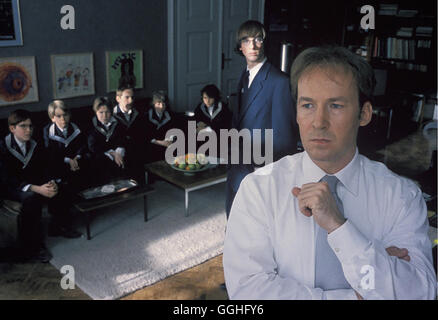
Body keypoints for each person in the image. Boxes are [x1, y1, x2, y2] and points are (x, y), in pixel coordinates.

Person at [223, 46, 437, 300]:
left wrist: (339, 228)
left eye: (335, 105)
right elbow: (248, 292)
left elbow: (421, 292)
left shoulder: (402, 196)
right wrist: (363, 291)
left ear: (364, 114)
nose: (318, 122)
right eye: (308, 105)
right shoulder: (258, 188)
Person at [225, 20, 298, 217]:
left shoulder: (279, 82)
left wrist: (264, 174)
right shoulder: (244, 77)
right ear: (240, 47)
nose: (253, 45)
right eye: (247, 40)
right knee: (233, 224)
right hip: (238, 165)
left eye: (258, 39)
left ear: (265, 43)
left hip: (261, 172)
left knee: (256, 231)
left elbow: (285, 139)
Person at [0, 110, 74, 263]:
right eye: (23, 126)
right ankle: (35, 246)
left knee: (60, 185)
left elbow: (43, 169)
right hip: (10, 188)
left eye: (31, 126)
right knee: (31, 198)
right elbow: (7, 179)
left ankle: (57, 226)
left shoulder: (35, 144)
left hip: (31, 183)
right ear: (12, 128)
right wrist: (36, 188)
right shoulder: (2, 147)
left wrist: (50, 182)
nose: (29, 130)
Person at [43, 100, 90, 192]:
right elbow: (50, 152)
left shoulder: (76, 127)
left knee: (88, 158)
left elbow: (82, 144)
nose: (63, 119)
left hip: (76, 159)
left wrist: (77, 157)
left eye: (65, 115)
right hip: (60, 161)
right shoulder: (48, 131)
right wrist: (69, 160)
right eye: (59, 116)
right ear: (52, 118)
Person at [88, 97, 127, 185]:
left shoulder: (117, 122)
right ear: (96, 112)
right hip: (100, 153)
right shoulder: (91, 125)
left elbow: (122, 139)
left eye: (107, 112)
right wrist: (113, 153)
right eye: (101, 112)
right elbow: (92, 146)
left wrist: (119, 152)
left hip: (117, 152)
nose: (104, 116)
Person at [113, 86, 146, 184]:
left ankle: (139, 184)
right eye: (127, 97)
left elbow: (141, 132)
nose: (131, 101)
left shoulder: (137, 113)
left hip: (134, 144)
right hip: (118, 146)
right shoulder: (111, 115)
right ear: (118, 98)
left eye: (132, 97)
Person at [145, 90, 176, 163]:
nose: (162, 106)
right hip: (154, 144)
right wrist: (161, 142)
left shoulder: (170, 115)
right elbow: (146, 135)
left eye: (164, 104)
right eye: (158, 103)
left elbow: (173, 129)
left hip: (167, 142)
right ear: (153, 104)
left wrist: (170, 139)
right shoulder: (146, 117)